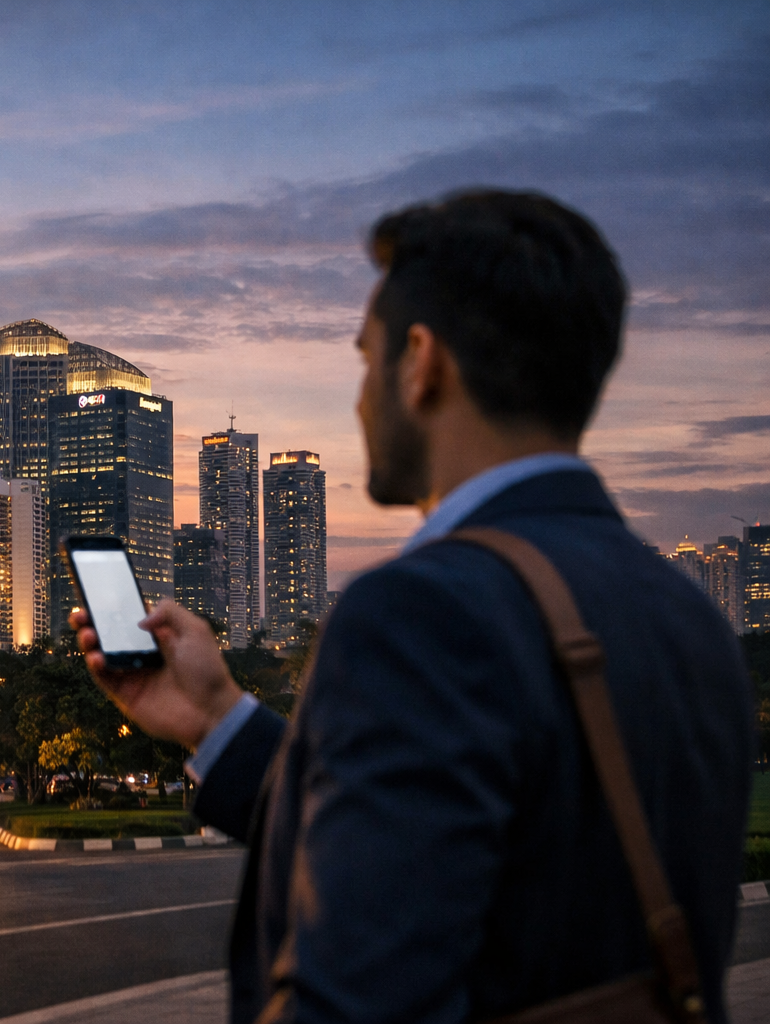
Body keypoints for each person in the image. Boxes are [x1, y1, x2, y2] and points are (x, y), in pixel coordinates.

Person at [72, 190, 753, 1023]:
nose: (361, 399)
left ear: (421, 361)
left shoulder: (419, 612)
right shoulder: (690, 618)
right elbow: (465, 845)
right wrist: (216, 719)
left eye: (367, 358)